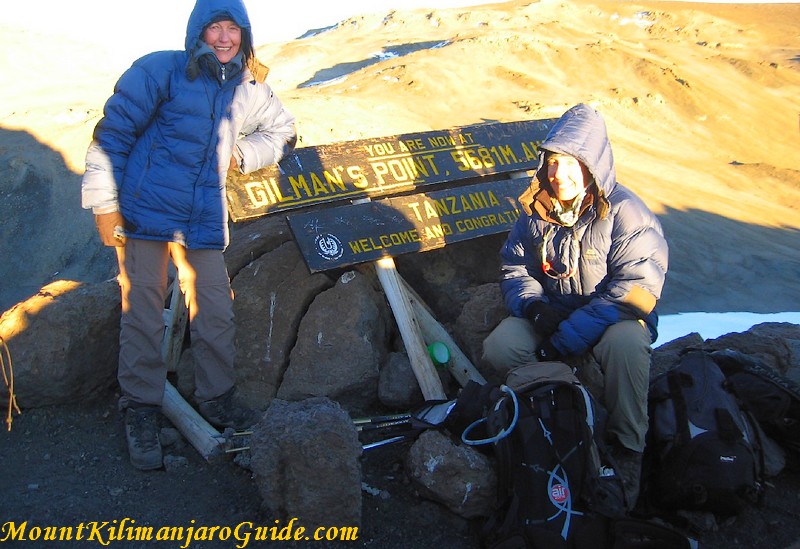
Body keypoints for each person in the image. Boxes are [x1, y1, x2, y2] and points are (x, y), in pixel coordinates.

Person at [81, 0, 297, 471]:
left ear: (244, 33)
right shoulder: (160, 70)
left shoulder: (249, 86)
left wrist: (242, 155)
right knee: (143, 311)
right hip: (145, 213)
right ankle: (140, 407)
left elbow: (284, 131)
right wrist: (103, 205)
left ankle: (216, 399)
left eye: (232, 28)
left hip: (201, 219)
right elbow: (111, 136)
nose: (223, 37)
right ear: (197, 32)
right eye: (214, 27)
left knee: (216, 307)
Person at [482, 103, 668, 508]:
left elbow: (635, 289)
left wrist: (563, 339)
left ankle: (627, 446)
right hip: (552, 314)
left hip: (613, 318)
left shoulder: (626, 212)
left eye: (570, 164)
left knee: (627, 346)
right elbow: (515, 267)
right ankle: (560, 417)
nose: (557, 174)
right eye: (552, 162)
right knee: (500, 347)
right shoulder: (537, 211)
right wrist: (532, 307)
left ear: (592, 165)